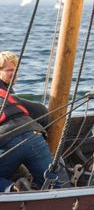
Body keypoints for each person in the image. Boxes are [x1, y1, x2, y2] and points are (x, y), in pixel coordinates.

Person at [0, 51, 57, 192]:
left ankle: (13, 188)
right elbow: (42, 112)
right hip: (34, 136)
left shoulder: (7, 91)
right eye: (9, 70)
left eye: (15, 70)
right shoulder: (7, 94)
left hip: (8, 142)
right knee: (53, 185)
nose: (14, 74)